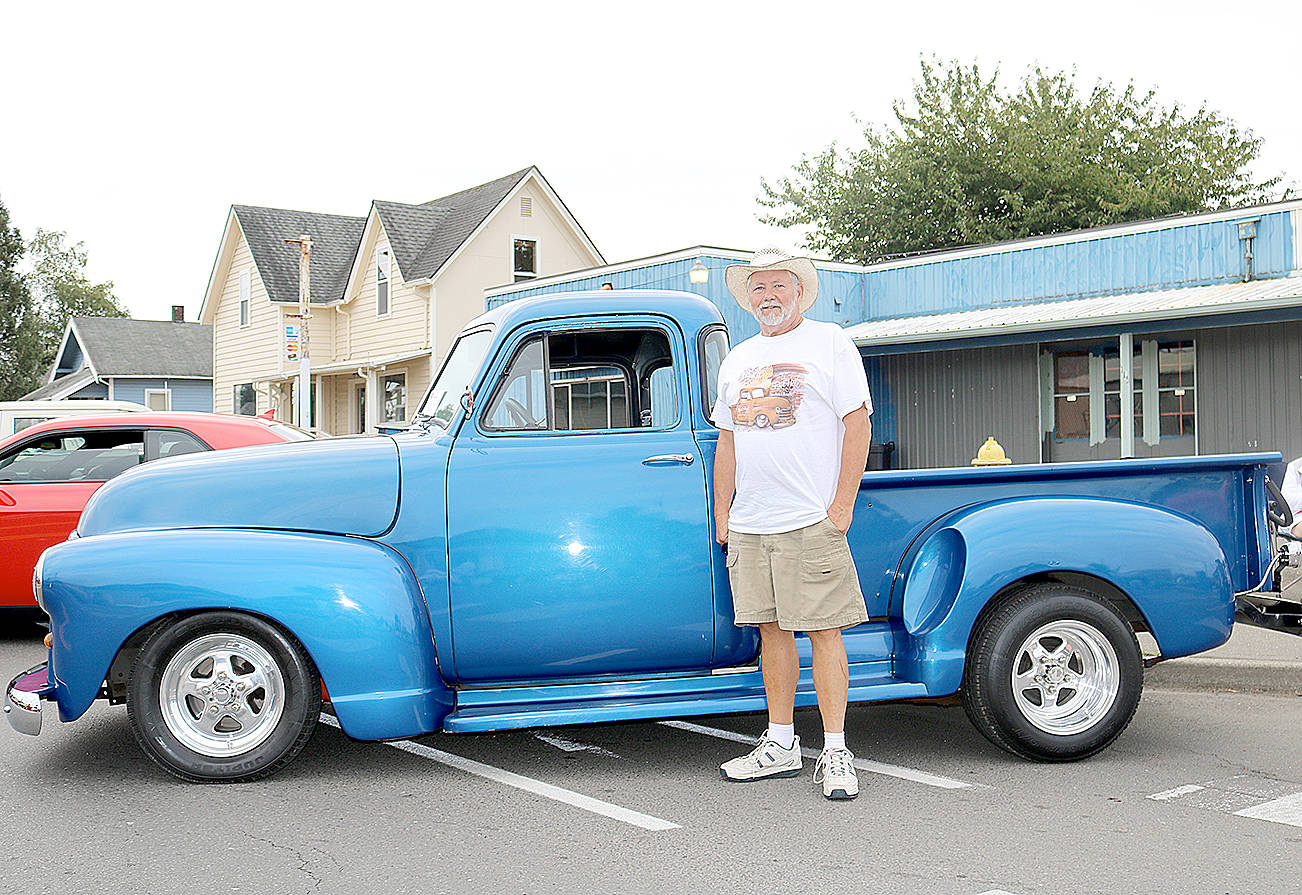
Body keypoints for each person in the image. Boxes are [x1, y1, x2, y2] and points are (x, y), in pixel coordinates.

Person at [711, 247, 873, 800]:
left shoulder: (830, 343)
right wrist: (723, 513)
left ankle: (835, 750)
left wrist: (841, 509)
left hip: (811, 520)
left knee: (823, 632)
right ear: (748, 298)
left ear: (800, 291)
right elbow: (727, 442)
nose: (769, 297)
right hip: (752, 523)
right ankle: (781, 744)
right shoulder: (737, 359)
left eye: (779, 286)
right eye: (759, 288)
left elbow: (857, 425)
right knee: (771, 632)